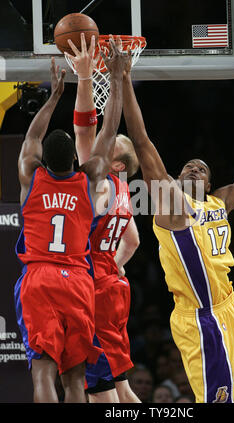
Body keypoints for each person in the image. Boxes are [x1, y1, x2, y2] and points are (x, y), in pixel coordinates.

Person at [122, 61, 234, 403]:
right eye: (188, 166)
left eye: (202, 168)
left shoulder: (220, 202)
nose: (195, 167)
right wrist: (124, 78)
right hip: (201, 320)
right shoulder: (171, 206)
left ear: (211, 184)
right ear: (176, 180)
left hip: (231, 306)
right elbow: (142, 142)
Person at [14, 35, 128, 403]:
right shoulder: (90, 178)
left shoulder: (31, 177)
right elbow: (108, 132)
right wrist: (115, 79)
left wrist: (53, 96)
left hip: (41, 277)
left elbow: (31, 137)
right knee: (75, 379)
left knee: (43, 374)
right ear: (75, 163)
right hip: (78, 280)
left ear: (43, 161)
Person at [68, 35, 140, 403]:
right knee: (122, 390)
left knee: (101, 395)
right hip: (113, 288)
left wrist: (84, 77)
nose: (101, 143)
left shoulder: (99, 182)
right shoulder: (124, 192)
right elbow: (133, 242)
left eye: (110, 146)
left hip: (94, 288)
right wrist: (117, 265)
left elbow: (86, 127)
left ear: (114, 164)